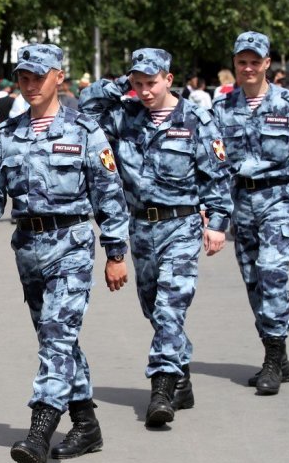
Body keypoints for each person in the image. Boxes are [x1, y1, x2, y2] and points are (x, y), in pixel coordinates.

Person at [0, 44, 129, 463]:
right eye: (24, 77)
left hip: (71, 242)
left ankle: (40, 430)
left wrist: (115, 252)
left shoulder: (85, 130)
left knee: (57, 335)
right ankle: (87, 424)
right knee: (57, 338)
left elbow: (109, 194)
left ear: (60, 77)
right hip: (29, 247)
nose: (30, 85)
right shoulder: (8, 133)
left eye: (39, 76)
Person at [80, 48, 232, 427]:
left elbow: (216, 174)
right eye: (138, 84)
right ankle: (181, 376)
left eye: (151, 82)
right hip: (140, 228)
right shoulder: (125, 116)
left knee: (169, 308)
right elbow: (85, 112)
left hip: (181, 226)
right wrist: (119, 86)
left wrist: (216, 223)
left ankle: (161, 389)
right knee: (154, 307)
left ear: (169, 77)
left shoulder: (195, 118)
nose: (145, 91)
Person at [212, 32, 289, 395]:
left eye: (256, 61)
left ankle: (272, 357)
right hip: (242, 206)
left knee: (272, 272)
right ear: (235, 64)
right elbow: (216, 166)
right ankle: (278, 354)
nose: (249, 67)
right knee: (254, 282)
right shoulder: (222, 110)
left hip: (280, 200)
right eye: (242, 61)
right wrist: (216, 216)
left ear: (268, 63)